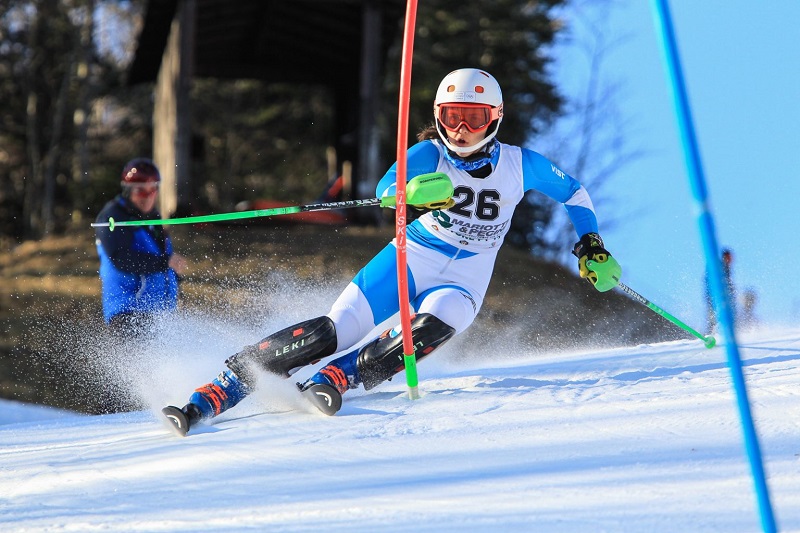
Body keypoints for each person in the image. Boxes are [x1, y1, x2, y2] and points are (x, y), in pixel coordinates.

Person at [162, 68, 620, 436]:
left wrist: (591, 244)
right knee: (333, 330)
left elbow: (574, 194)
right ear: (438, 117)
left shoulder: (521, 165)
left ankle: (340, 377)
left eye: (474, 118)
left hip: (467, 276)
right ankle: (226, 385)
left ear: (495, 118)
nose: (461, 130)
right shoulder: (428, 153)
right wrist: (410, 191)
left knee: (436, 324)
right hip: (413, 254)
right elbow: (386, 188)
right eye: (452, 116)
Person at [95, 158, 189, 334]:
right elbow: (121, 259)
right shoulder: (113, 217)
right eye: (140, 191)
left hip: (159, 314)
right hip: (128, 314)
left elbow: (162, 257)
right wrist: (165, 262)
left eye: (152, 189)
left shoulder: (152, 218)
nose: (147, 196)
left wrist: (174, 280)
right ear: (127, 190)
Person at [705, 247, 735, 333]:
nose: (731, 260)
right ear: (726, 257)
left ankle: (721, 331)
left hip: (719, 296)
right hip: (714, 295)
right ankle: (712, 332)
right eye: (729, 257)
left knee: (722, 314)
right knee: (715, 315)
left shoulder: (725, 267)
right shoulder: (720, 266)